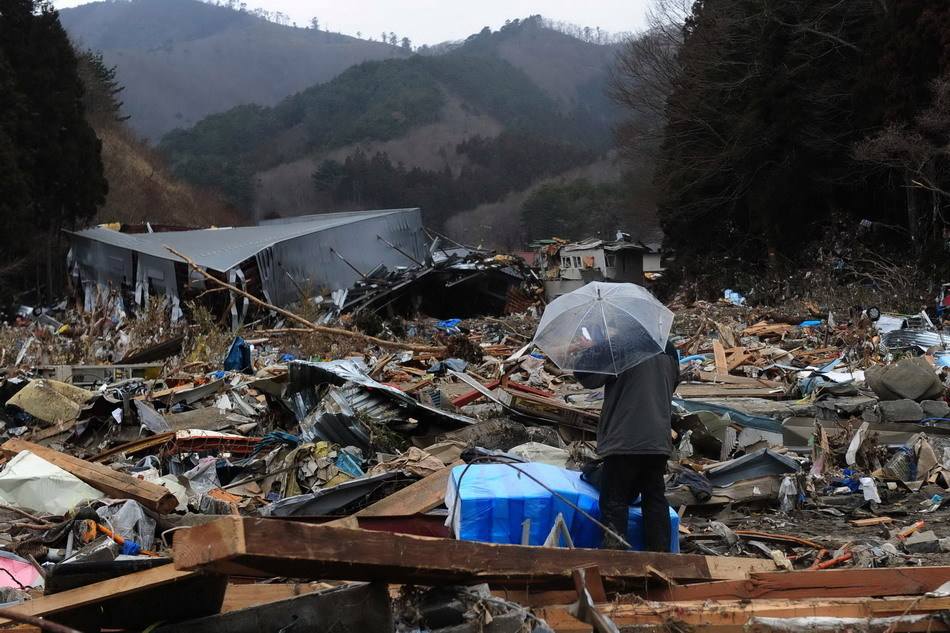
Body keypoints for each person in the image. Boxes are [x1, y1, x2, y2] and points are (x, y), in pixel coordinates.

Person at [575, 339, 680, 551]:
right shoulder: (668, 348)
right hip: (658, 439)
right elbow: (673, 382)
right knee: (655, 499)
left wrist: (591, 349)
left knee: (615, 500)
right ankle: (662, 561)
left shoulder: (619, 346)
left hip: (625, 437)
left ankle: (617, 560)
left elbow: (587, 377)